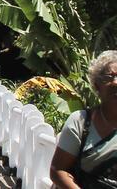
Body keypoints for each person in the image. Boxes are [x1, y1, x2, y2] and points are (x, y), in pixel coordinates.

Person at [50, 50, 117, 189]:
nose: (115, 82)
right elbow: (57, 170)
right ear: (97, 85)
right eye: (109, 77)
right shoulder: (80, 122)